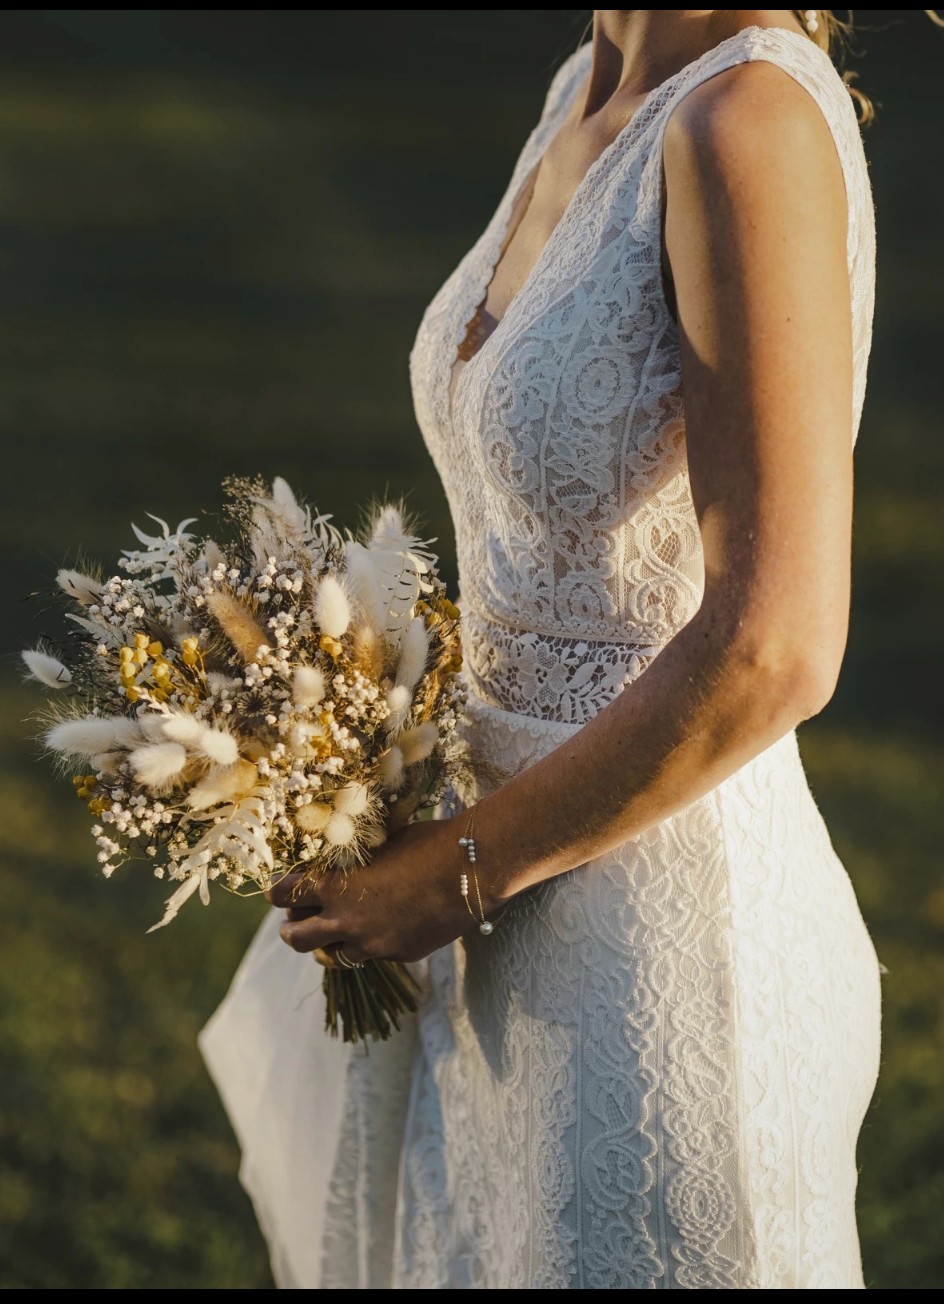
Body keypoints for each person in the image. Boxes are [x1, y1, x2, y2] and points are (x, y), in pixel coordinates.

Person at [201, 8, 882, 1288]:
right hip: (491, 921)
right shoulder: (589, 81)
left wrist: (456, 870)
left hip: (657, 950)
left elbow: (777, 643)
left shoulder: (747, 123)